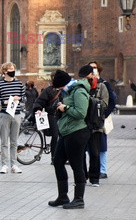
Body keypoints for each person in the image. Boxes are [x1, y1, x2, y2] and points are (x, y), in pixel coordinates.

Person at [49, 66, 91, 209]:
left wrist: (65, 108)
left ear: (64, 84)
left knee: (76, 165)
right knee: (58, 161)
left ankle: (79, 199)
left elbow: (81, 113)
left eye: (59, 88)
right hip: (67, 132)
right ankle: (63, 196)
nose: (58, 91)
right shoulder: (69, 91)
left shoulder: (79, 91)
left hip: (77, 132)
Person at [32, 70, 71, 164]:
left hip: (63, 116)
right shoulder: (48, 90)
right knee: (55, 136)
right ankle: (54, 158)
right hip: (52, 115)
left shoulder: (65, 89)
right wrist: (38, 109)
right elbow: (39, 101)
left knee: (65, 136)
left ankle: (64, 156)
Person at [0, 62, 25, 174]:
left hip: (16, 114)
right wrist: (5, 102)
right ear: (4, 71)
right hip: (4, 114)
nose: (12, 70)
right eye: (10, 69)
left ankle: (14, 164)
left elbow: (24, 98)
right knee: (4, 141)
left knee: (14, 141)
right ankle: (4, 165)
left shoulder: (19, 83)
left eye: (13, 68)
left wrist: (19, 99)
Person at [88, 61, 116, 180]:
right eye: (90, 68)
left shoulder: (104, 83)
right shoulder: (86, 83)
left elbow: (112, 100)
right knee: (90, 146)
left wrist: (104, 115)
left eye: (94, 68)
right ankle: (93, 168)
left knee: (102, 145)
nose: (92, 70)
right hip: (89, 119)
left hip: (100, 118)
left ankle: (103, 170)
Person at [83, 62, 109, 187]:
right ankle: (82, 177)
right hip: (82, 124)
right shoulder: (81, 87)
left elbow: (105, 103)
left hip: (96, 124)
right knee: (81, 152)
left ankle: (94, 178)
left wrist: (90, 101)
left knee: (94, 152)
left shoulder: (101, 86)